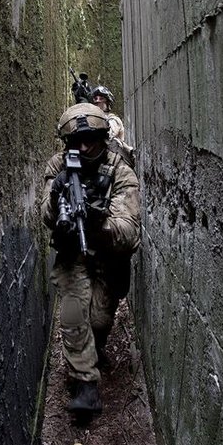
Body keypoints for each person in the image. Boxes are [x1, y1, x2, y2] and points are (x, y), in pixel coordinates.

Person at [39, 103, 141, 415]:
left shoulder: (120, 171)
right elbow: (44, 214)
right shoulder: (58, 166)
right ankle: (86, 385)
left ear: (101, 138)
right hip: (72, 253)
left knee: (98, 320)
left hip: (108, 255)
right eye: (76, 142)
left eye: (90, 140)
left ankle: (94, 349)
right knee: (72, 316)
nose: (84, 148)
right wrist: (57, 197)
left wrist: (99, 222)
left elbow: (129, 232)